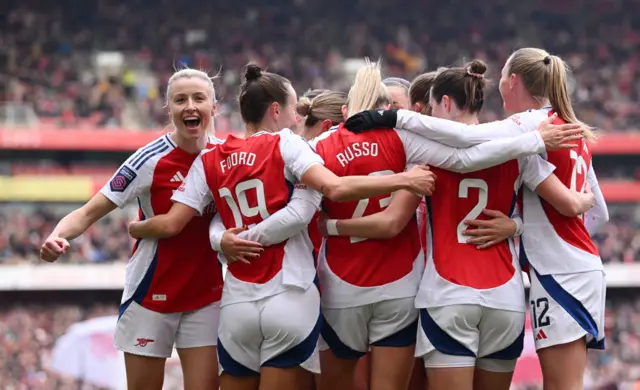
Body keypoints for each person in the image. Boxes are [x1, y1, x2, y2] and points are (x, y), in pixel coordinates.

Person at [128, 63, 437, 390]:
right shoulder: (289, 146)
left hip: (237, 302)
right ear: (276, 109)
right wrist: (405, 179)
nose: (297, 118)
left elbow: (187, 219)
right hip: (290, 292)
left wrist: (216, 239)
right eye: (293, 109)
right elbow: (311, 206)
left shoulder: (211, 157)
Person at [312, 59, 588, 390]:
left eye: (431, 106)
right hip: (506, 295)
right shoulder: (519, 152)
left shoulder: (428, 155)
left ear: (444, 103)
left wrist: (329, 226)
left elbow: (459, 161)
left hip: (447, 292)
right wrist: (517, 225)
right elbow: (559, 206)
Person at [39, 68, 224, 390]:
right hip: (150, 295)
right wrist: (57, 236)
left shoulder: (226, 157)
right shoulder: (148, 160)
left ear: (214, 107)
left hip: (207, 296)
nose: (190, 106)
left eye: (199, 98)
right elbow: (87, 212)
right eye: (180, 100)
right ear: (169, 109)